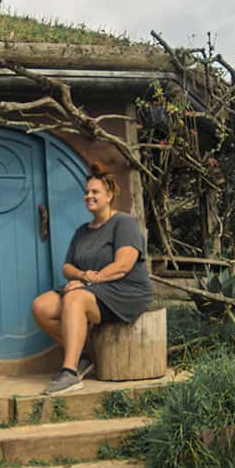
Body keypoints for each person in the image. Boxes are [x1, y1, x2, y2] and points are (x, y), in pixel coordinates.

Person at [31, 163, 153, 394]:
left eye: (95, 192)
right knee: (41, 306)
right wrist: (81, 275)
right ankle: (84, 356)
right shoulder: (82, 231)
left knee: (74, 298)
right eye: (87, 192)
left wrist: (87, 282)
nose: (89, 196)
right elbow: (67, 267)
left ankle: (70, 372)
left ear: (109, 196)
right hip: (93, 288)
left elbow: (123, 266)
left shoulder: (123, 223)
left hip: (125, 290)